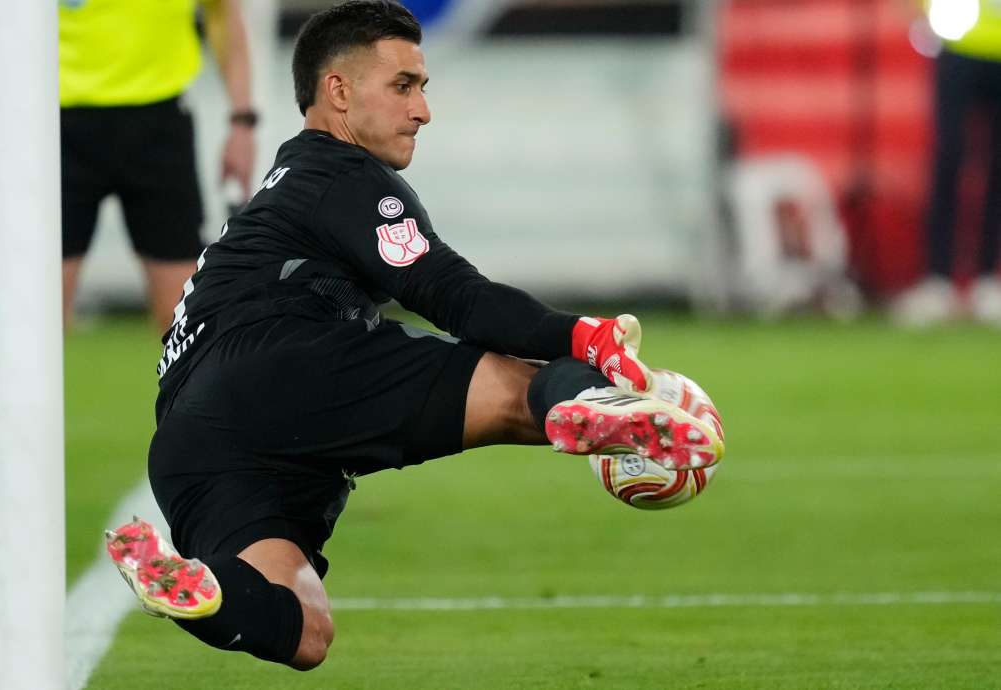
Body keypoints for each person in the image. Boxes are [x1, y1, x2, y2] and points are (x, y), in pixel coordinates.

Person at [104, 0, 724, 671]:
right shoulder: (339, 172)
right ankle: (585, 403)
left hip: (191, 439)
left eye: (422, 88)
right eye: (403, 86)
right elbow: (455, 297)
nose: (422, 109)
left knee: (303, 628)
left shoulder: (280, 196)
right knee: (525, 389)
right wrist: (586, 338)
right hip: (284, 368)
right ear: (338, 91)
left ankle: (205, 592)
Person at [0, 0, 256, 332]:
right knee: (34, 327)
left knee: (186, 328)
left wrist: (242, 122)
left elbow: (225, 16)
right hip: (54, 131)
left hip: (159, 125)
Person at [892, 0, 1001, 327]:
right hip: (956, 47)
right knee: (947, 162)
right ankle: (938, 280)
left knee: (997, 170)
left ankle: (987, 281)